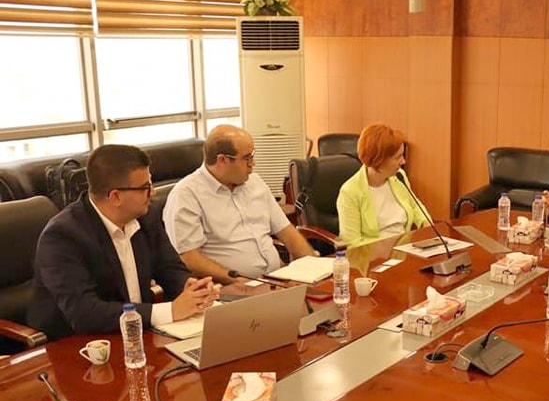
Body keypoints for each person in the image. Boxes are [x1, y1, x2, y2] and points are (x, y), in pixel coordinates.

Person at [28, 144, 218, 340]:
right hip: (79, 343)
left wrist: (192, 288)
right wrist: (171, 310)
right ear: (115, 197)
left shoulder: (147, 216)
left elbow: (170, 268)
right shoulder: (62, 236)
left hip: (139, 333)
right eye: (145, 187)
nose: (153, 193)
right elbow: (84, 313)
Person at [163, 124, 316, 284]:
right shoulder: (186, 195)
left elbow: (287, 232)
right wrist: (241, 283)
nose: (253, 163)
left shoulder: (255, 183)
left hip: (276, 280)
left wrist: (313, 267)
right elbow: (190, 259)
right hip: (230, 288)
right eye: (247, 158)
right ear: (222, 160)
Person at [336, 123, 430, 248]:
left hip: (404, 249)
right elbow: (352, 243)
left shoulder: (398, 177)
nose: (403, 161)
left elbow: (414, 205)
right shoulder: (350, 192)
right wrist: (388, 248)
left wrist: (426, 223)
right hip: (373, 256)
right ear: (379, 161)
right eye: (398, 157)